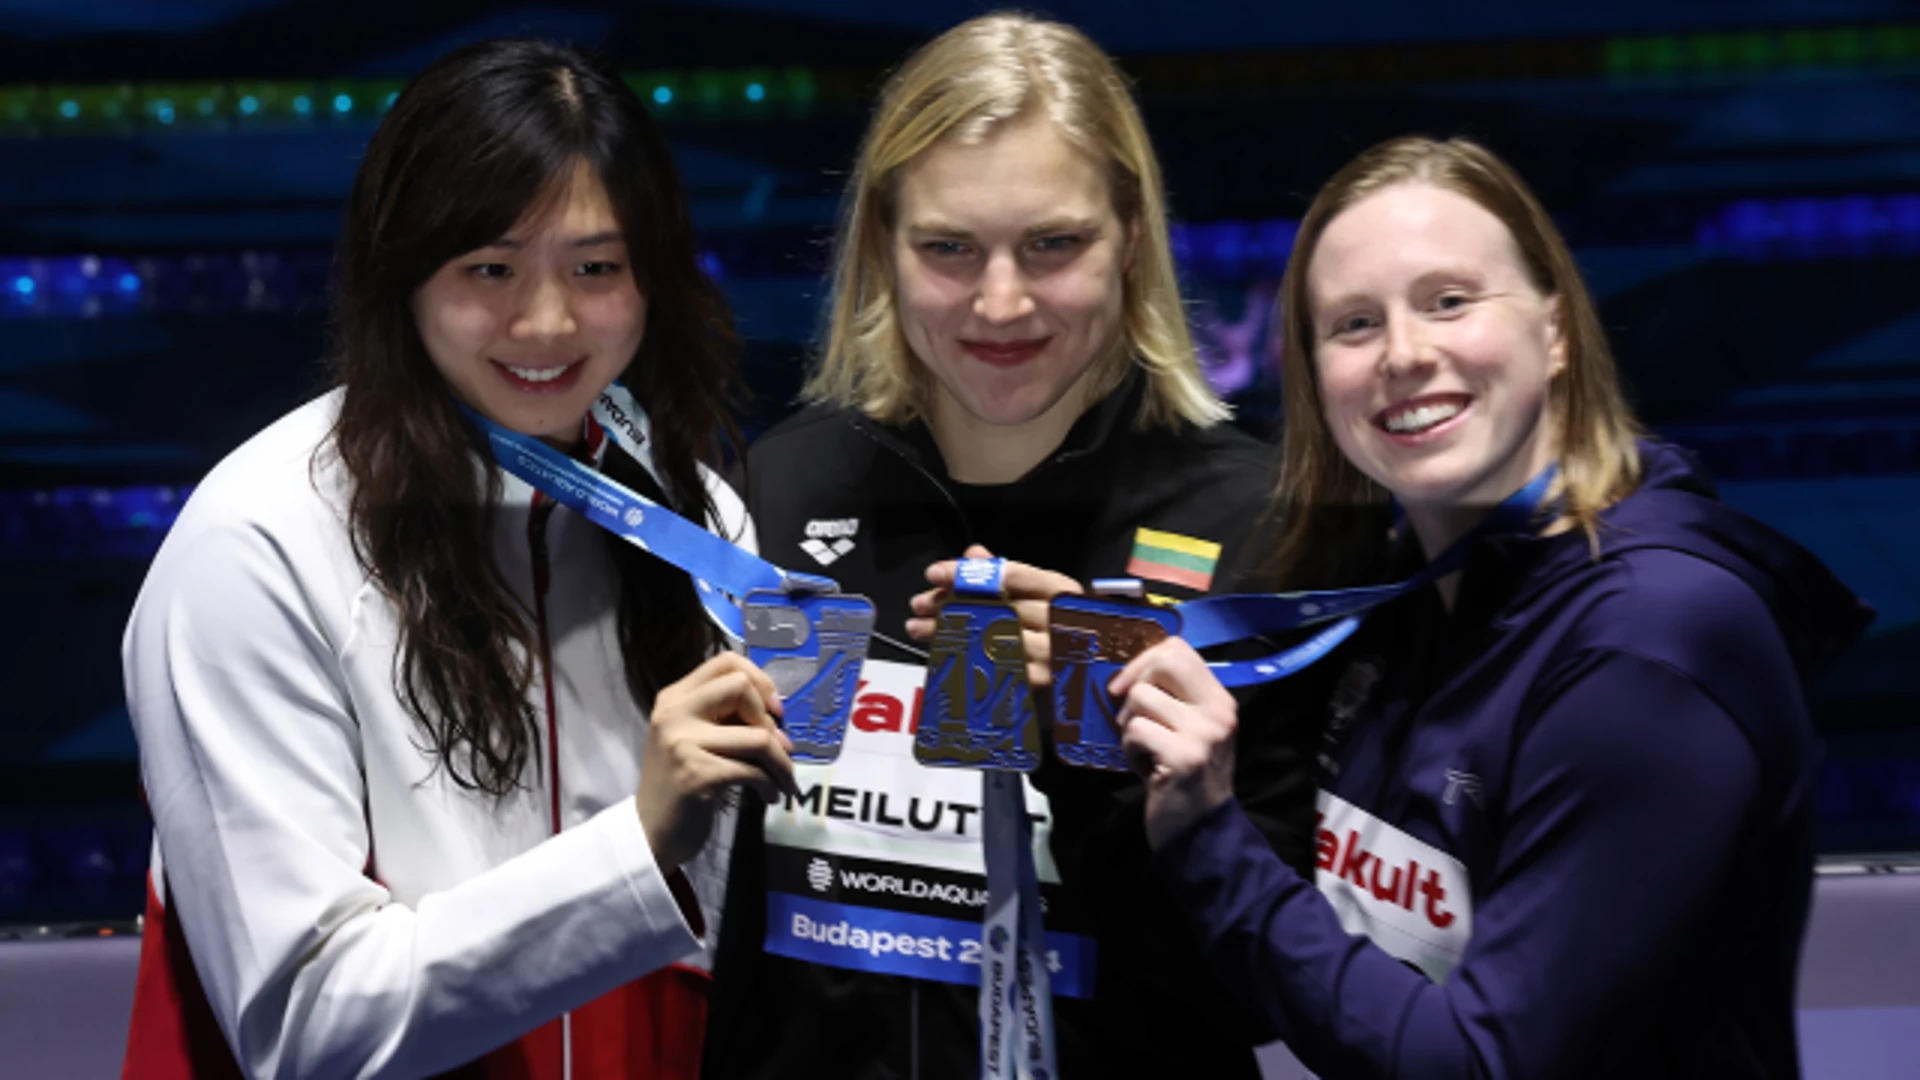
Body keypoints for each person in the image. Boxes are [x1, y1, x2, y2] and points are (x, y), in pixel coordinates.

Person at [1114, 135, 1874, 1079]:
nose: (1403, 353)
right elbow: (1293, 977)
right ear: (1315, 379)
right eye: (1354, 324)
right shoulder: (1404, 606)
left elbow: (1477, 1064)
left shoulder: (1649, 641)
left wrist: (1206, 832)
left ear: (1555, 332)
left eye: (1449, 301)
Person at [120, 39, 796, 1080]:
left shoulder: (701, 529)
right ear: (406, 277)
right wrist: (642, 835)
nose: (547, 320)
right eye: (491, 267)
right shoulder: (257, 545)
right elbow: (305, 1026)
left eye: (597, 267)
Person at [702, 12, 1308, 1080]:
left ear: (1131, 237)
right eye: (947, 248)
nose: (1001, 301)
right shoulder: (779, 496)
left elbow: (1279, 994)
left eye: (1054, 244)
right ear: (881, 249)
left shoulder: (1254, 521)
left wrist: (1107, 759)